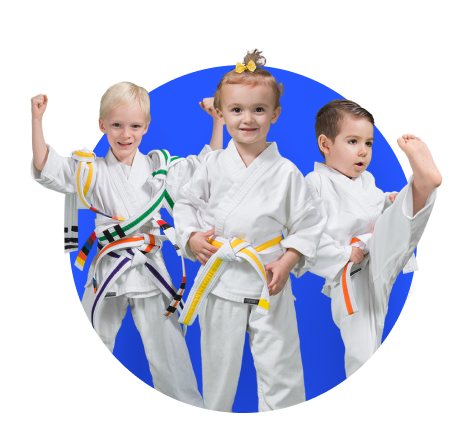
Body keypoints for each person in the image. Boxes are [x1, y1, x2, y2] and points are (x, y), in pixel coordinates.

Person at [30, 82, 224, 406]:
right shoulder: (90, 169)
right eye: (117, 125)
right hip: (108, 269)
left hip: (149, 268)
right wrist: (37, 119)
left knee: (170, 354)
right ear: (102, 125)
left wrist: (218, 121)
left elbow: (206, 169)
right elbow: (47, 166)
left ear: (146, 127)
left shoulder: (160, 169)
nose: (125, 134)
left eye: (135, 125)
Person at [173, 49, 327, 412]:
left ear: (275, 114)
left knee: (281, 370)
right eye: (237, 110)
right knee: (218, 374)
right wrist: (191, 237)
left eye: (259, 109)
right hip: (221, 279)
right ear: (221, 113)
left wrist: (289, 260)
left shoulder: (287, 172)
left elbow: (309, 222)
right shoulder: (212, 164)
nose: (248, 119)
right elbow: (186, 205)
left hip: (267, 279)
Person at [305, 99, 442, 378]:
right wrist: (344, 254)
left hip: (377, 252)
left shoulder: (365, 181)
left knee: (396, 215)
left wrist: (387, 201)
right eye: (353, 141)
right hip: (350, 273)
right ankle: (419, 189)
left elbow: (372, 210)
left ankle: (420, 186)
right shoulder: (314, 184)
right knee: (365, 348)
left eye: (368, 143)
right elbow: (307, 234)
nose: (363, 151)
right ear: (325, 144)